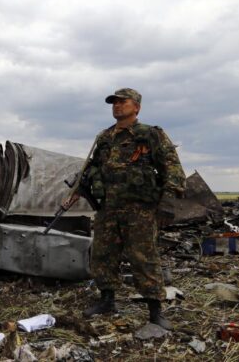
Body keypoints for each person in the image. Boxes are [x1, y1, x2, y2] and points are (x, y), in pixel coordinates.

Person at [66, 88, 185, 329]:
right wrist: (79, 188)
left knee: (144, 258)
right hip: (109, 207)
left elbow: (172, 168)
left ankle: (155, 311)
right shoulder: (105, 137)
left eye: (123, 102)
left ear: (137, 107)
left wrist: (168, 201)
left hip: (139, 210)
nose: (117, 106)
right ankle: (107, 300)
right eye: (114, 103)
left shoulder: (151, 135)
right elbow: (93, 167)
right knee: (102, 255)